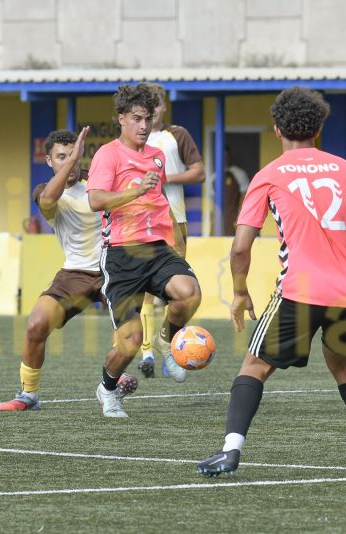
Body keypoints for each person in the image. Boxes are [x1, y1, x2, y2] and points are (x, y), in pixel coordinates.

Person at [196, 87, 346, 477]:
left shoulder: (268, 175)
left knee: (254, 365)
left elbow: (240, 247)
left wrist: (239, 293)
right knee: (342, 363)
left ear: (276, 129)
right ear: (318, 128)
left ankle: (230, 452)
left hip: (299, 290)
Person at [0, 127, 136, 411]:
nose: (68, 161)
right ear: (49, 161)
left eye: (73, 155)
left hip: (116, 269)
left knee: (130, 337)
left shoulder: (100, 183)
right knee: (36, 325)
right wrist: (74, 163)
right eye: (61, 157)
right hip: (74, 274)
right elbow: (48, 201)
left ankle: (112, 381)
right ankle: (28, 395)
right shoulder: (45, 192)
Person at [86, 84, 202, 418]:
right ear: (121, 118)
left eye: (148, 119)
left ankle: (167, 340)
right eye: (136, 118)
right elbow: (96, 200)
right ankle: (107, 391)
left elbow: (157, 198)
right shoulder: (107, 155)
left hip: (156, 249)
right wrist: (135, 191)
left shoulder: (156, 155)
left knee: (189, 294)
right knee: (130, 342)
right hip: (121, 255)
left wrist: (173, 235)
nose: (143, 125)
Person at [136, 82, 204, 381]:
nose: (152, 110)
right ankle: (147, 352)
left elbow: (199, 172)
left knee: (179, 292)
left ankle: (168, 346)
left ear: (164, 106)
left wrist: (164, 178)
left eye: (157, 104)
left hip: (174, 221)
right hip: (139, 223)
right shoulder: (130, 140)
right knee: (144, 294)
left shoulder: (176, 135)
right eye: (146, 105)